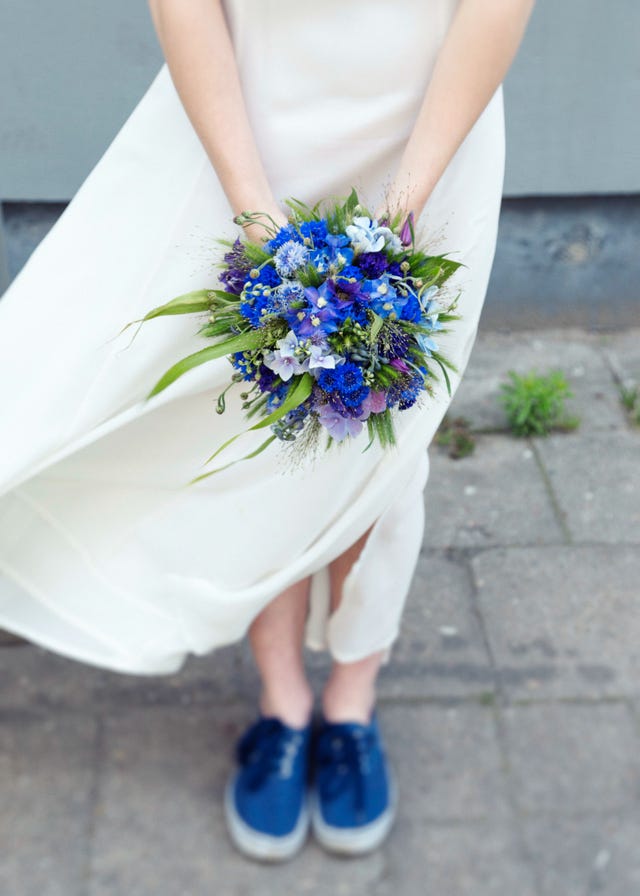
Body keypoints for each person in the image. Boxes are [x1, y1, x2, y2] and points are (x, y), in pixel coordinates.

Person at [0, 0, 535, 865]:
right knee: (262, 432)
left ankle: (351, 705)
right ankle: (284, 703)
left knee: (385, 447)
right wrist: (255, 214)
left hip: (433, 121)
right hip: (252, 118)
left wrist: (400, 215)